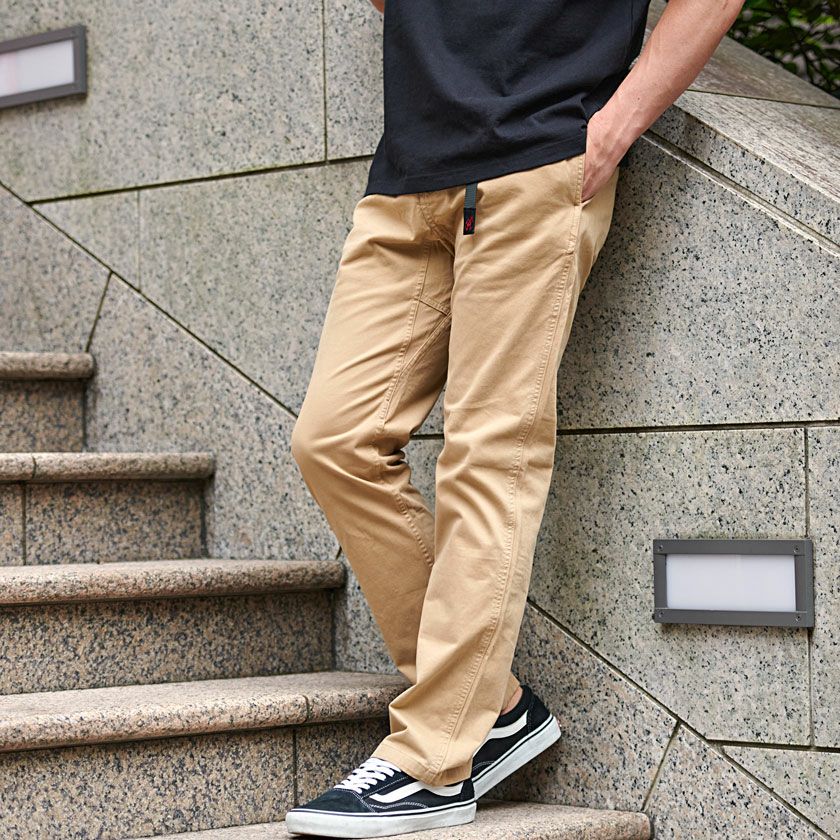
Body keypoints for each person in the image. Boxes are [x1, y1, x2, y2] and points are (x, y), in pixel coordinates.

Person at [286, 0, 745, 836]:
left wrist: (614, 129)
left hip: (540, 156)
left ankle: (434, 759)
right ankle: (492, 708)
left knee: (488, 455)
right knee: (334, 440)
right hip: (409, 170)